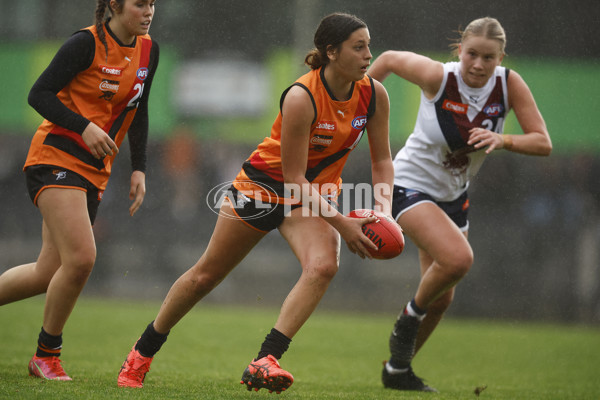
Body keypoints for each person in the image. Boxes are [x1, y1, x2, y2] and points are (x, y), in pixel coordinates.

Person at [117, 12, 393, 393]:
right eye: (358, 47)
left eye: (368, 46)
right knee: (205, 277)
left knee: (323, 266)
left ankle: (266, 359)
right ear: (331, 52)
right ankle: (141, 353)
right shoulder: (302, 97)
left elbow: (382, 161)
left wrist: (383, 211)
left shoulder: (374, 95)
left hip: (313, 197)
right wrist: (343, 223)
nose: (367, 55)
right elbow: (294, 179)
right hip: (263, 188)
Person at [368, 17, 551, 392]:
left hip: (453, 197)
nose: (479, 65)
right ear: (460, 50)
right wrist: (355, 114)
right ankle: (407, 319)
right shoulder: (438, 77)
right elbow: (385, 59)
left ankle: (398, 371)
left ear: (501, 57)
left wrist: (505, 141)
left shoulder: (508, 84)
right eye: (472, 54)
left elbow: (542, 142)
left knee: (442, 296)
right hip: (408, 186)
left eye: (488, 57)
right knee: (459, 260)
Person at [0, 0, 159, 381]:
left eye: (154, 3)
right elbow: (38, 94)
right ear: (115, 6)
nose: (149, 11)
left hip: (94, 172)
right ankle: (46, 356)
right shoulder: (84, 44)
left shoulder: (149, 50)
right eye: (140, 4)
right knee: (83, 258)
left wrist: (138, 167)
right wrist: (83, 126)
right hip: (54, 157)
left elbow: (140, 108)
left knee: (47, 271)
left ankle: (45, 356)